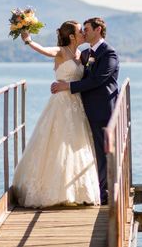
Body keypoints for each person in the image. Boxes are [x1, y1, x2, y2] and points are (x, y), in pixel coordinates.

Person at [12, 20, 101, 207]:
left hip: (77, 104)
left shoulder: (82, 54)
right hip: (61, 104)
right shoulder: (62, 52)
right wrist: (28, 40)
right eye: (80, 31)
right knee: (57, 145)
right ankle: (53, 191)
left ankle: (77, 190)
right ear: (71, 36)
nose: (84, 33)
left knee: (76, 145)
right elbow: (44, 50)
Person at [51, 17, 119, 205]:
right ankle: (88, 188)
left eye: (87, 29)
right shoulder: (86, 53)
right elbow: (75, 67)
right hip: (83, 108)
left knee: (102, 150)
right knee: (87, 149)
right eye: (82, 30)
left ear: (98, 30)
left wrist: (67, 86)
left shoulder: (109, 54)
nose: (84, 32)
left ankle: (103, 193)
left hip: (102, 108)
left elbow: (97, 80)